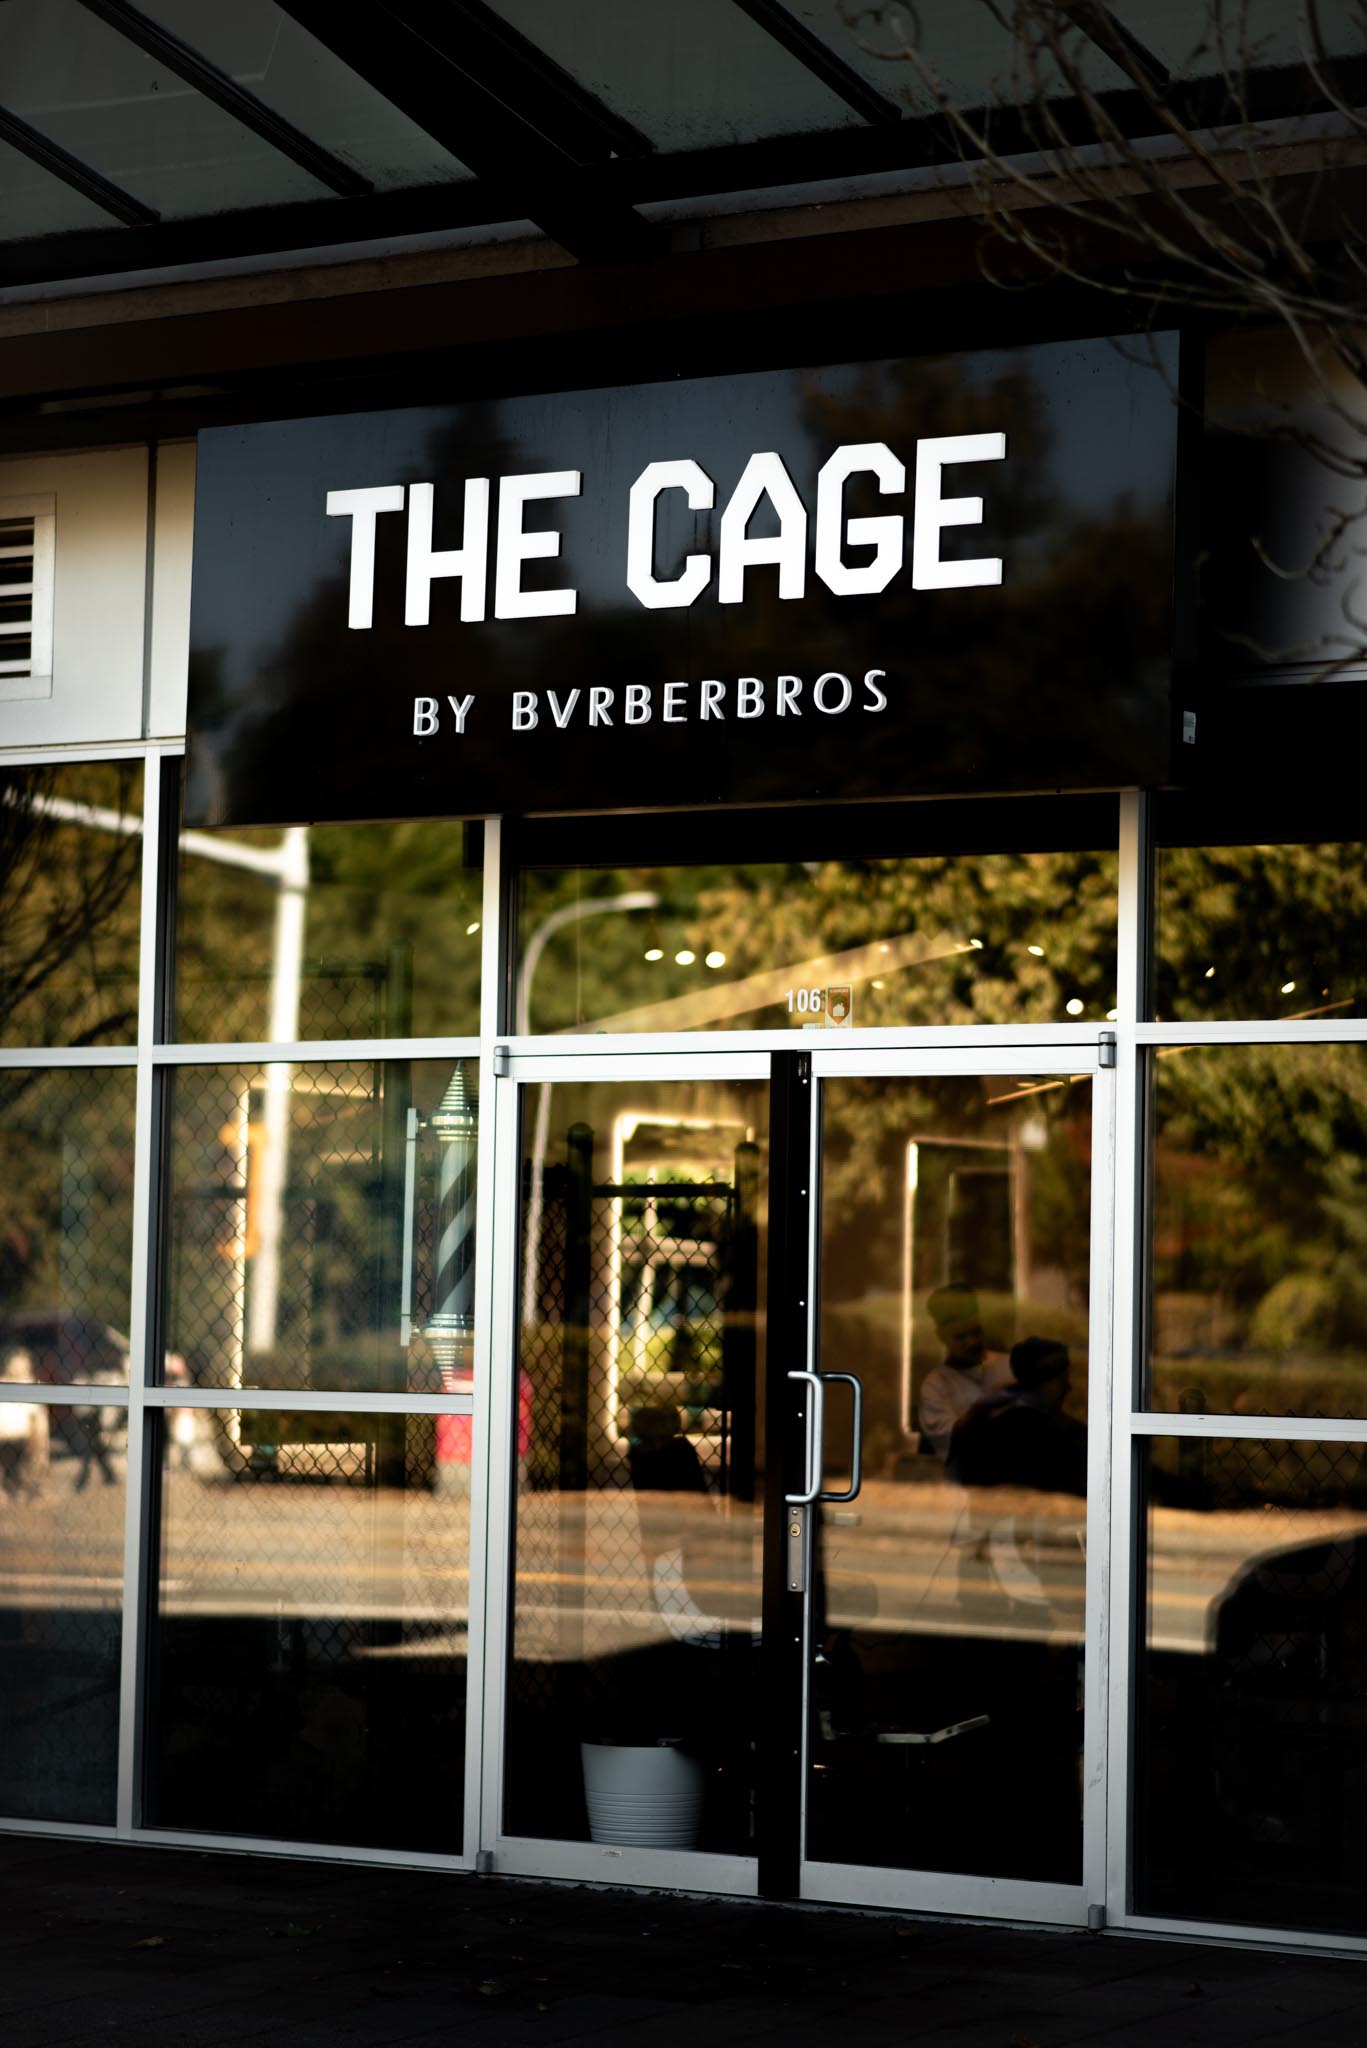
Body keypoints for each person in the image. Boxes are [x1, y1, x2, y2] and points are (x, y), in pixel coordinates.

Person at [917, 1283, 1012, 1461]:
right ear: (941, 1336)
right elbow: (950, 1443)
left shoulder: (1010, 1366)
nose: (971, 1342)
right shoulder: (935, 1387)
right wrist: (982, 1408)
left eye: (975, 1332)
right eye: (960, 1337)